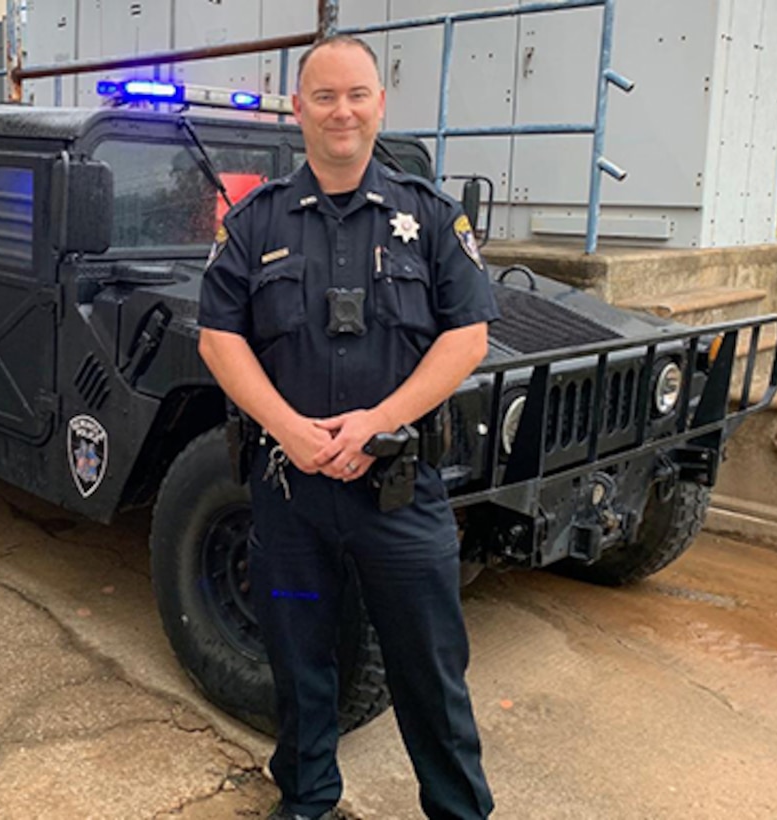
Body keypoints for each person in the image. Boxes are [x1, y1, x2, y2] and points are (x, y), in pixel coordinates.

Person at [198, 34, 497, 820]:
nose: (342, 111)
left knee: (430, 671)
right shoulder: (255, 222)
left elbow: (468, 337)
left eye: (357, 94)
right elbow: (217, 336)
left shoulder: (430, 218)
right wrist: (290, 428)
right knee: (299, 663)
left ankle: (459, 812)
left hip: (400, 495)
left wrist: (377, 424)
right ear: (298, 110)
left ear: (380, 104)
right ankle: (307, 802)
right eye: (324, 96)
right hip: (292, 494)